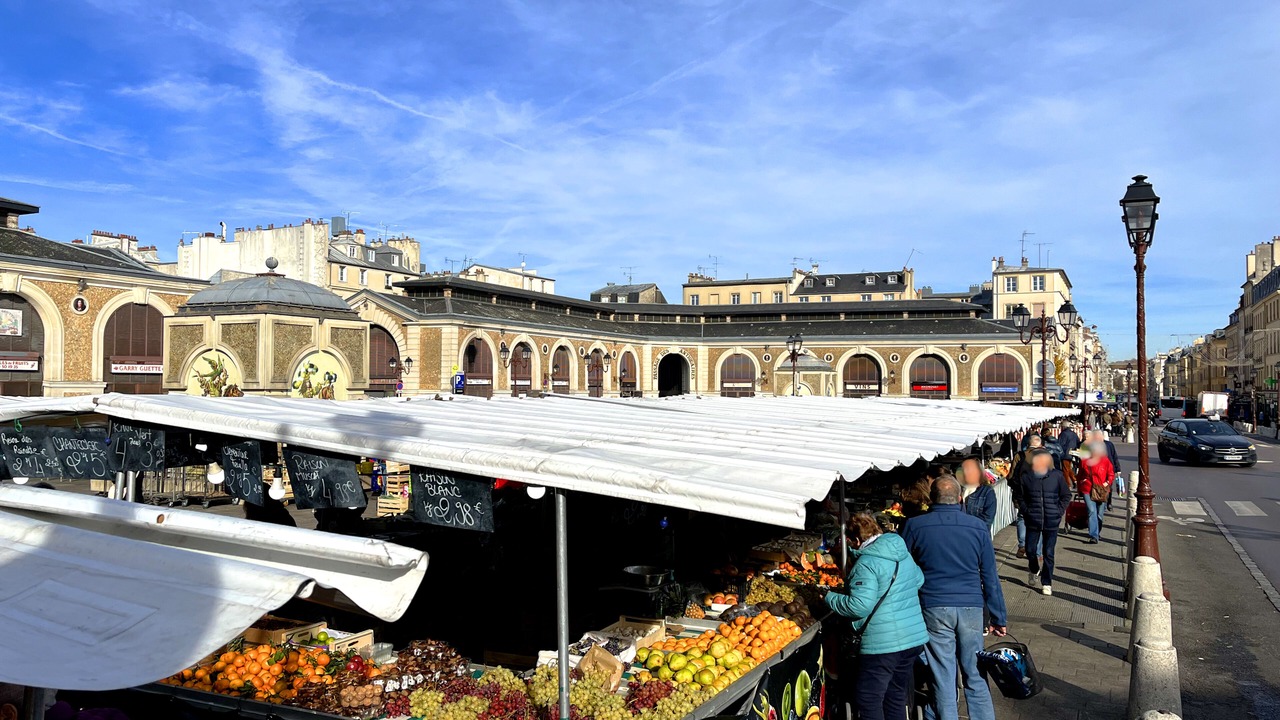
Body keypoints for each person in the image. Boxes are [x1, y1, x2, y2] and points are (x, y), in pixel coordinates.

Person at [901, 476, 1007, 720]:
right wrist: (998, 616)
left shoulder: (915, 526)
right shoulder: (978, 527)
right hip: (971, 606)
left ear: (931, 499)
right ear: (960, 498)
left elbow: (904, 569)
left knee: (942, 673)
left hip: (933, 605)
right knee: (975, 672)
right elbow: (990, 575)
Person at [825, 513, 928, 720]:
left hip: (883, 645)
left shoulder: (866, 563)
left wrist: (829, 597)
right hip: (913, 638)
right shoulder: (901, 551)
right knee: (895, 696)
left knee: (868, 698)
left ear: (856, 540)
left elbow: (859, 606)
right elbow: (919, 579)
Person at [1017, 450, 1072, 595]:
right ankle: (1034, 569)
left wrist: (1058, 511)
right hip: (1033, 519)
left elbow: (1066, 495)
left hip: (1051, 520)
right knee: (1030, 550)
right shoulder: (1026, 477)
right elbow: (1019, 497)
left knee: (1048, 552)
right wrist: (1026, 511)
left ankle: (1047, 582)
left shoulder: (1057, 476)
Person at [1078, 444, 1114, 544]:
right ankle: (1094, 535)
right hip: (1087, 488)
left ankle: (1097, 531)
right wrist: (1080, 488)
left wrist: (1107, 483)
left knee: (1099, 514)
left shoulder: (1105, 460)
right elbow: (1080, 475)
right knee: (1091, 511)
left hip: (1101, 490)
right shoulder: (1084, 461)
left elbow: (1111, 473)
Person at [957, 457, 996, 529]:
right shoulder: (957, 488)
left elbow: (988, 519)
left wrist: (967, 524)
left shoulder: (987, 491)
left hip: (977, 534)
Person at [1088, 429, 1125, 497]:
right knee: (1097, 486)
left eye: (1099, 436)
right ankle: (1098, 498)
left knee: (1108, 486)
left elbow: (1114, 456)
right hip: (1096, 470)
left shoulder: (1109, 444)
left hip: (1109, 469)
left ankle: (1108, 502)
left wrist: (1118, 469)